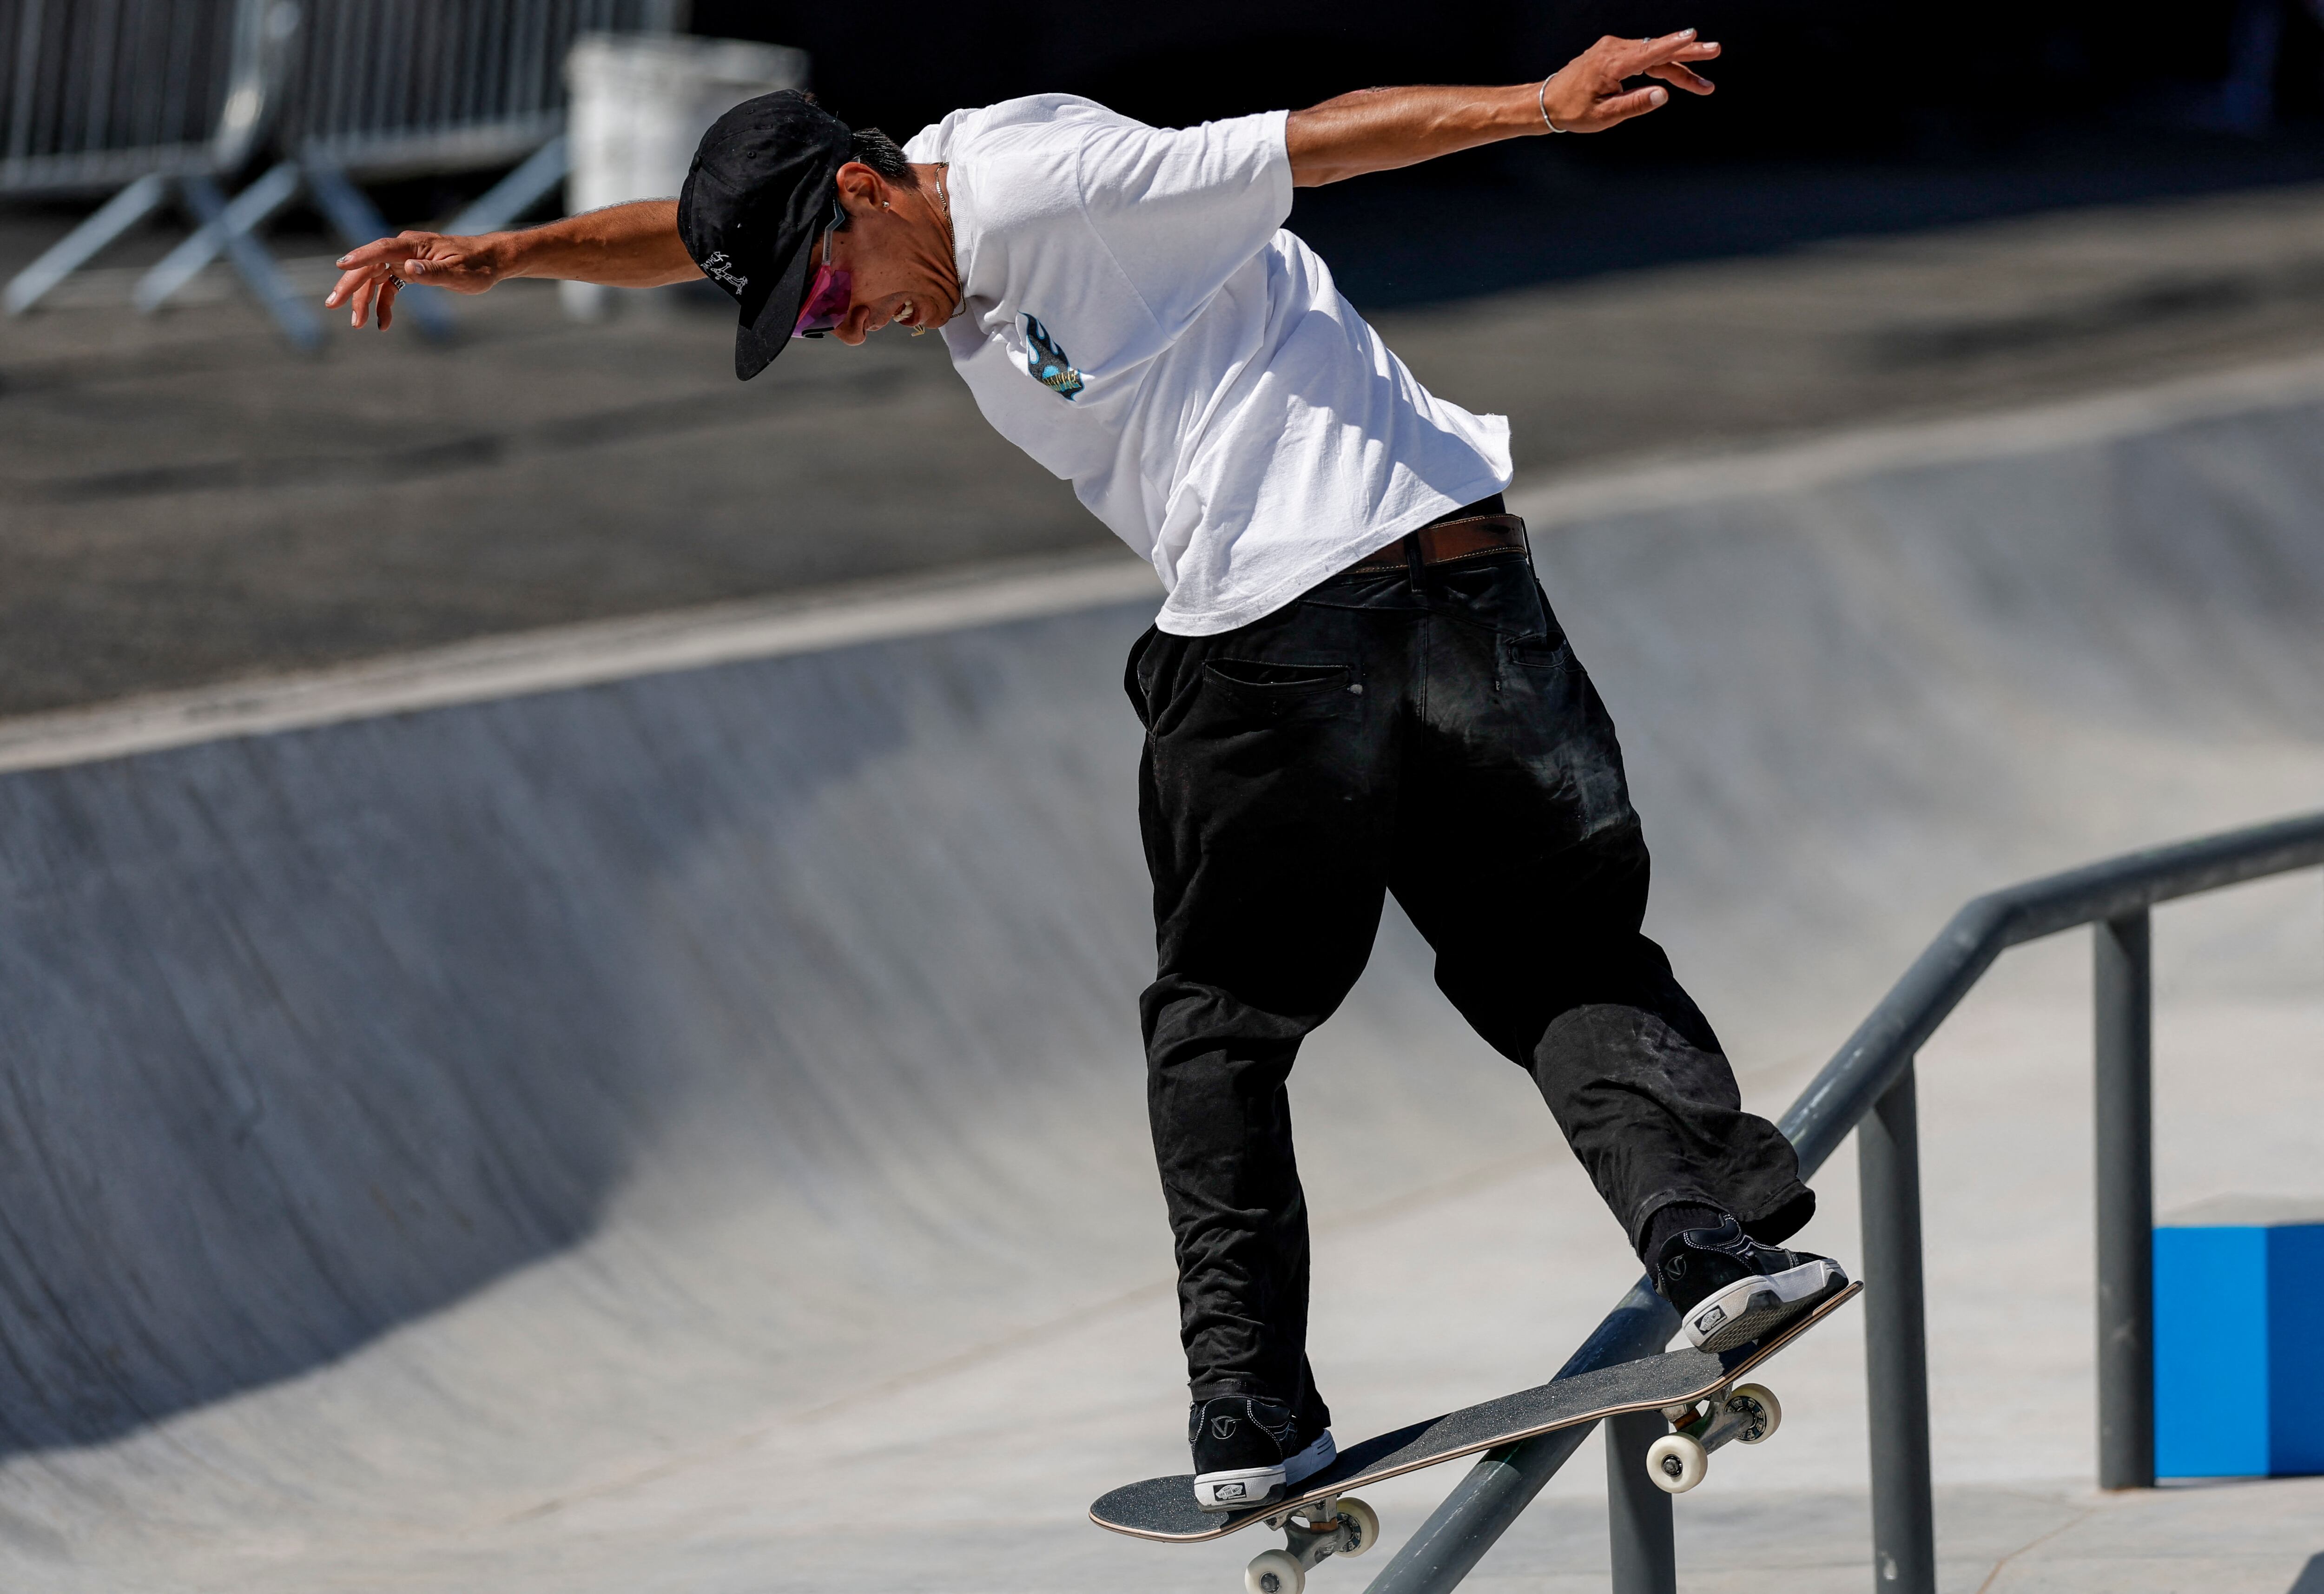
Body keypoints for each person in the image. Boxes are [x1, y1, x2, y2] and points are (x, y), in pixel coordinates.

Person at [328, 31, 1848, 1514]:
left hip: (1279, 641)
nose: (838, 330)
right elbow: (687, 231)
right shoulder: (889, 213)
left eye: (831, 295)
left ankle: (1249, 1400)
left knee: (1221, 1030)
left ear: (868, 197)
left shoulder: (1052, 180)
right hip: (1465, 589)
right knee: (1553, 949)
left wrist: (1541, 106)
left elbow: (1314, 139)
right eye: (800, 324)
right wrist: (509, 255)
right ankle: (1709, 1246)